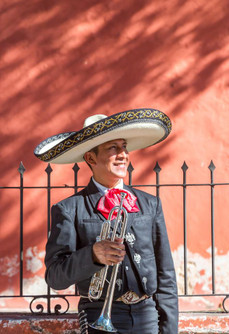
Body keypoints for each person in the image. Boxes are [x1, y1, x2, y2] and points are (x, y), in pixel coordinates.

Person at [34, 108, 178, 334]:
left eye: (124, 147)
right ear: (91, 158)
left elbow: (166, 274)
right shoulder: (69, 209)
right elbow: (55, 277)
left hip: (147, 316)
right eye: (113, 148)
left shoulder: (150, 204)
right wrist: (92, 255)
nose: (123, 155)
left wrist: (169, 328)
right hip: (97, 316)